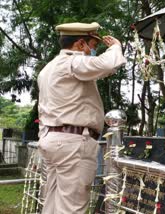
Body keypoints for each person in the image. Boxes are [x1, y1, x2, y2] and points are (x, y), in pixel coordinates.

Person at [37, 22, 126, 213]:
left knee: (52, 202)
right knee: (72, 206)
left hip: (51, 139)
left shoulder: (47, 69)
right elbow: (108, 64)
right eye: (92, 46)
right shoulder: (73, 62)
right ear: (79, 44)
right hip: (73, 143)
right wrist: (116, 47)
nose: (92, 52)